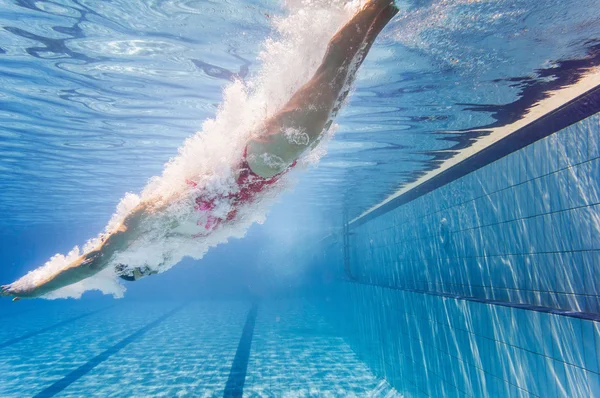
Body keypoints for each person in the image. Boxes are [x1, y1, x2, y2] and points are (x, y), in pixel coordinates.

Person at [1, 0, 399, 300]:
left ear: (131, 258)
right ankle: (382, 10)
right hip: (271, 167)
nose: (151, 273)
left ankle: (375, 5)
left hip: (259, 160)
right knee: (341, 84)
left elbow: (91, 262)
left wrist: (34, 287)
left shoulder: (137, 224)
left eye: (138, 273)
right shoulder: (180, 243)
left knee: (334, 71)